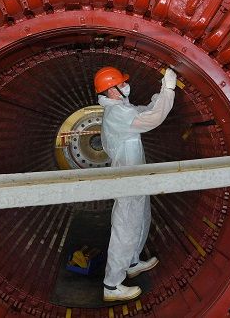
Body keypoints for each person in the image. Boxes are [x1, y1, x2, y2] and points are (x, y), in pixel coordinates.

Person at [94, 66, 177, 302]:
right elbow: (153, 118)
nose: (125, 86)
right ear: (112, 90)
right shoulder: (117, 113)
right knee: (125, 228)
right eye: (121, 83)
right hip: (127, 180)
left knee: (140, 219)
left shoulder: (122, 108)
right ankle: (111, 285)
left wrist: (161, 93)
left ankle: (131, 263)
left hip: (136, 177)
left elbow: (145, 110)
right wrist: (169, 90)